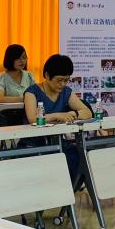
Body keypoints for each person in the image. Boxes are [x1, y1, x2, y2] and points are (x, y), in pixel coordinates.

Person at [23, 54, 91, 182]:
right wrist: (57, 115)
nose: (63, 84)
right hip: (34, 143)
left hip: (58, 142)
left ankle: (70, 190)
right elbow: (32, 118)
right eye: (59, 80)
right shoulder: (32, 92)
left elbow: (87, 112)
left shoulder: (66, 92)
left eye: (66, 80)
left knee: (78, 155)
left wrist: (74, 114)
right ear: (47, 75)